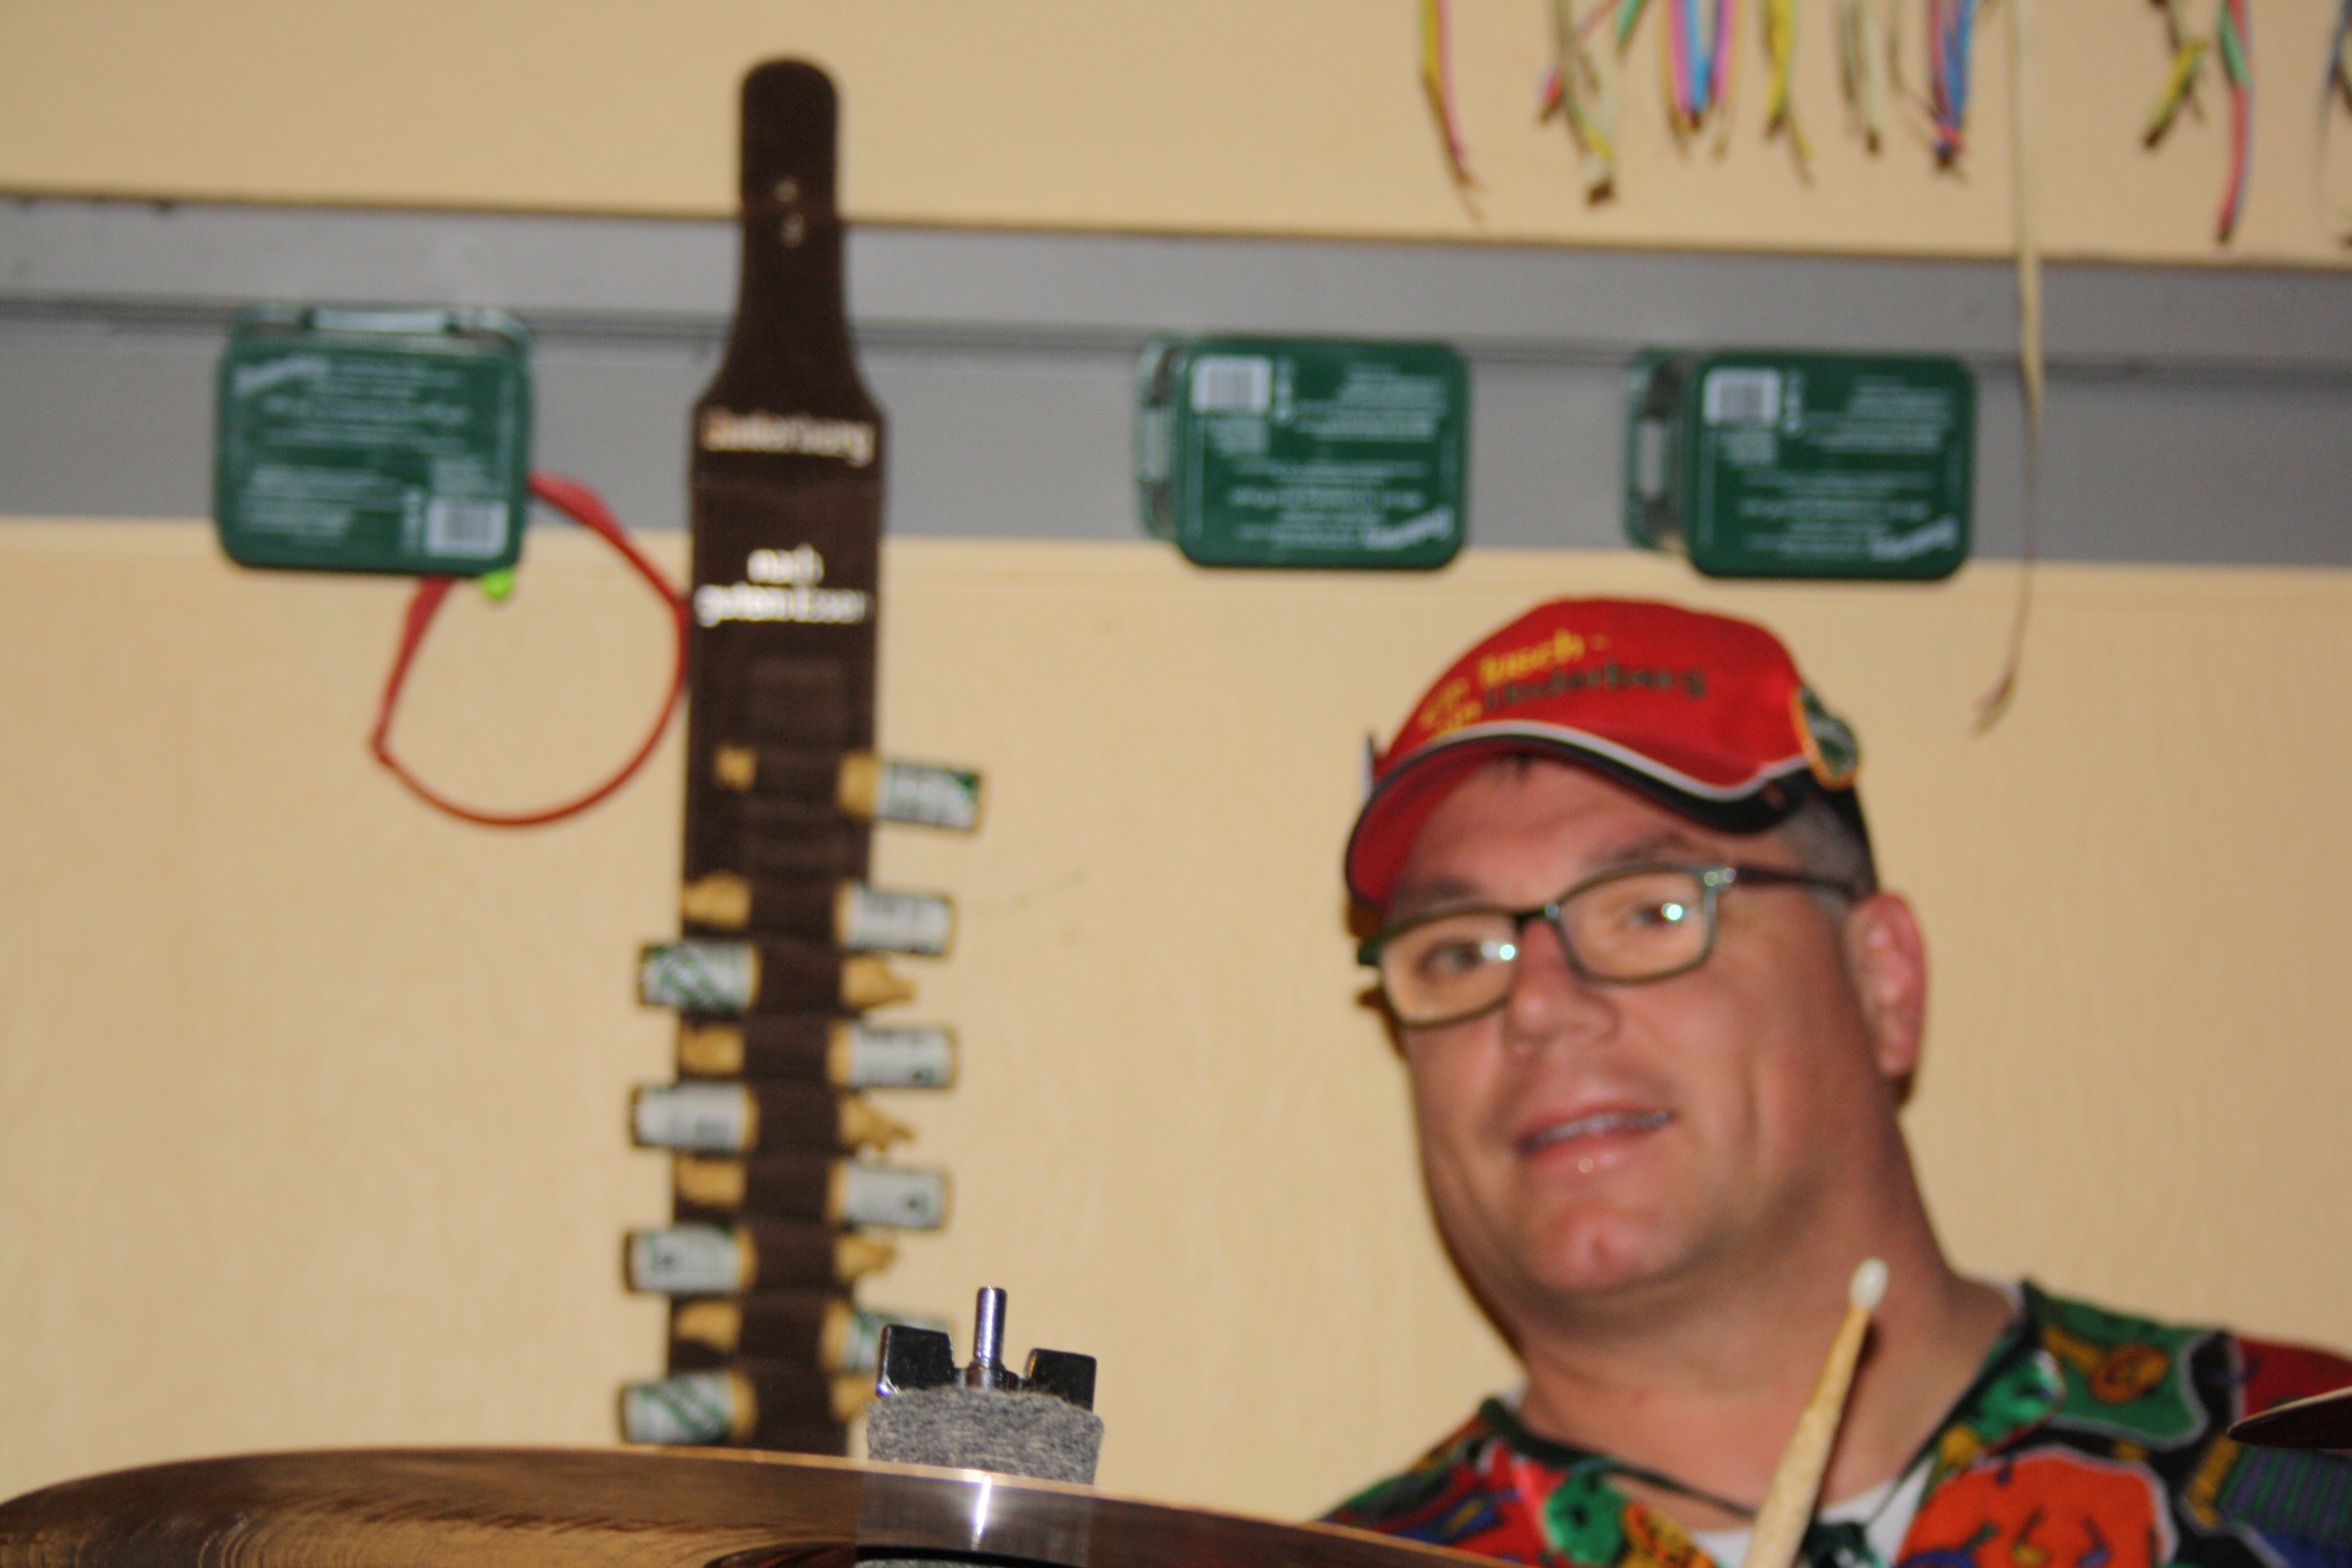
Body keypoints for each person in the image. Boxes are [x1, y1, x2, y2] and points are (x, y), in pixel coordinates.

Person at [1324, 597, 2352, 1568]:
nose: (1537, 1005)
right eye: (1459, 952)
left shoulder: (2308, 1482)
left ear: (1882, 981)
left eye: (1651, 912)